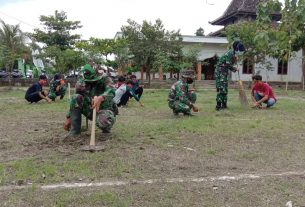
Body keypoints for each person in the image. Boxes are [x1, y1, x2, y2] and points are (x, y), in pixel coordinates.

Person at [64, 64, 117, 137]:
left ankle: (106, 129)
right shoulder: (81, 82)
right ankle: (75, 131)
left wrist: (101, 97)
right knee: (76, 97)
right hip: (89, 109)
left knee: (104, 122)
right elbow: (75, 100)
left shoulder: (106, 79)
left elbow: (111, 90)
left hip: (104, 109)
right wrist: (69, 117)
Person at [215, 40, 245, 110]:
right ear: (237, 49)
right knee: (221, 89)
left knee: (225, 89)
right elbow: (228, 64)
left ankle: (224, 105)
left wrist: (234, 60)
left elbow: (229, 63)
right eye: (240, 50)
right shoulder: (230, 53)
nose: (241, 52)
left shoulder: (233, 54)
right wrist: (235, 69)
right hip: (220, 73)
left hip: (224, 73)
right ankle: (219, 106)